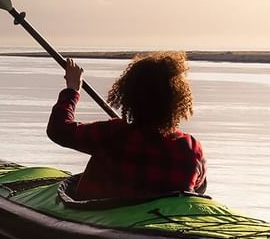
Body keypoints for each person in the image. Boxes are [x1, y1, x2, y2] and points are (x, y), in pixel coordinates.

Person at [47, 51, 207, 200]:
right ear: (178, 102)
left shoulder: (112, 134)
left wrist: (73, 89)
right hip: (160, 222)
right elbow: (199, 188)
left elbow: (58, 130)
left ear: (128, 97)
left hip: (104, 216)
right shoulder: (191, 147)